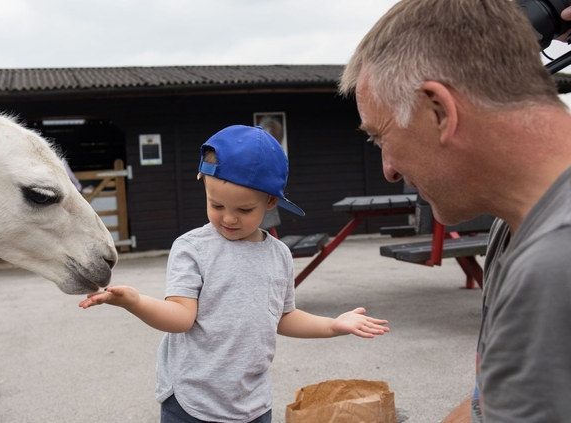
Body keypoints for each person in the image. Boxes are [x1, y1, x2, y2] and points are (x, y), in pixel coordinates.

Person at [339, 0, 571, 422]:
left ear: (440, 111)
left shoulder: (556, 264)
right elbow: (492, 406)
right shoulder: (515, 224)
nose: (389, 170)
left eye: (380, 136)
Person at [79, 125, 389, 423]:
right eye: (216, 204)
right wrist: (135, 301)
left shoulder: (279, 255)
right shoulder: (192, 249)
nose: (228, 218)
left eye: (244, 210)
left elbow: (282, 317)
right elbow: (180, 317)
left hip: (252, 403)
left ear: (270, 201)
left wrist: (334, 324)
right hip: (192, 401)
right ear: (203, 183)